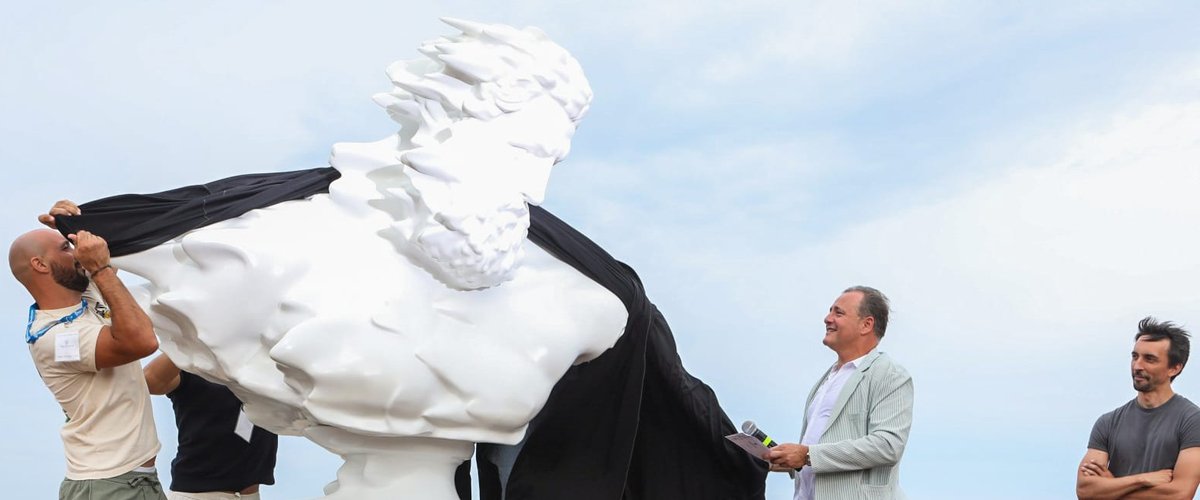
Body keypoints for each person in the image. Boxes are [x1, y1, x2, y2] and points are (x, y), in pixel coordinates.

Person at [10, 223, 164, 499]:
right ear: (40, 265)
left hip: (133, 481)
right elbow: (143, 342)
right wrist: (100, 270)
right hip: (108, 485)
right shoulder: (54, 338)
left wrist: (72, 221)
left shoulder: (86, 296)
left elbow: (104, 248)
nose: (76, 253)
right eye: (65, 248)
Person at [765, 286, 914, 500]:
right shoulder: (826, 380)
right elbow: (815, 454)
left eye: (838, 312)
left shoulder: (890, 374)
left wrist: (807, 455)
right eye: (830, 311)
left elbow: (888, 445)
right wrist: (786, 459)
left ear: (866, 324)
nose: (827, 318)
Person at [1076, 317, 1200, 500]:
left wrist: (1111, 487)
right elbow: (1085, 491)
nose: (1137, 366)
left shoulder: (1192, 421)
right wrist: (1142, 480)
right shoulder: (1108, 422)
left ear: (1174, 368)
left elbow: (1179, 494)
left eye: (1149, 359)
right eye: (1135, 356)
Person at [144, 354, 279, 500]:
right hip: (198, 494)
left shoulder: (264, 360)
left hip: (250, 494)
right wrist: (191, 338)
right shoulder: (194, 361)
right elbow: (149, 381)